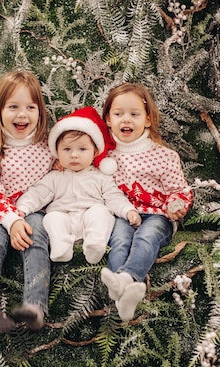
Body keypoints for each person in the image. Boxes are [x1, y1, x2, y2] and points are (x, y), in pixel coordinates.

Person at [0, 70, 54, 333]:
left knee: (37, 236)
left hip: (34, 211)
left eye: (30, 107)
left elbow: (56, 181)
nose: (22, 115)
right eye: (13, 107)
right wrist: (11, 221)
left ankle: (35, 307)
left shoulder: (48, 145)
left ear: (40, 111)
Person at [99, 83, 193, 322]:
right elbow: (78, 167)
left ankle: (127, 278)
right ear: (108, 119)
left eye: (134, 114)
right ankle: (122, 294)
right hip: (122, 213)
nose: (126, 120)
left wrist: (176, 206)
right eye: (118, 114)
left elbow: (178, 190)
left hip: (157, 215)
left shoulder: (163, 156)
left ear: (148, 119)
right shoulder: (102, 154)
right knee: (119, 239)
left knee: (146, 237)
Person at [16, 106, 141, 265]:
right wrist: (22, 209)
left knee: (101, 212)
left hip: (90, 220)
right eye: (67, 149)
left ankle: (95, 244)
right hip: (65, 220)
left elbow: (114, 197)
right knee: (51, 218)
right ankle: (61, 245)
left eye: (82, 149)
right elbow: (37, 194)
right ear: (57, 152)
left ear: (95, 152)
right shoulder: (55, 177)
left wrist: (127, 210)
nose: (74, 155)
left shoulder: (100, 177)